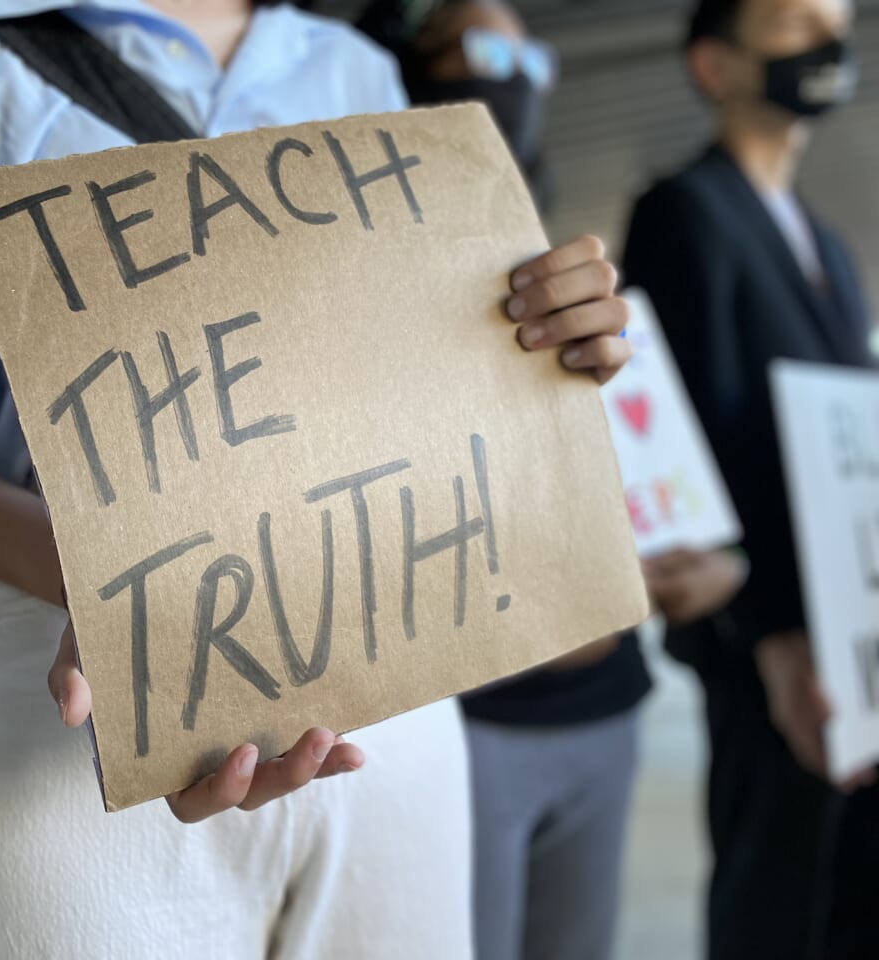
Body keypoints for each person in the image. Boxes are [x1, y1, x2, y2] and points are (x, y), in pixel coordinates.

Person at [0, 0, 633, 956]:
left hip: (396, 669)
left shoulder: (350, 65)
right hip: (90, 674)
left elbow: (408, 377)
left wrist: (541, 340)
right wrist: (128, 593)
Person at [356, 3, 750, 958]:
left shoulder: (565, 265)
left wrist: (683, 564)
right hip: (459, 724)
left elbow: (615, 480)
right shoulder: (355, 285)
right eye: (484, 50)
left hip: (604, 705)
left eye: (531, 54)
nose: (516, 73)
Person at [623, 0, 879, 957]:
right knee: (780, 904)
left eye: (836, 18)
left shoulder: (831, 250)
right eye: (789, 18)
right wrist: (766, 632)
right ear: (713, 65)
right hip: (770, 649)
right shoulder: (685, 212)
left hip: (848, 635)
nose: (824, 39)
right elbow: (687, 442)